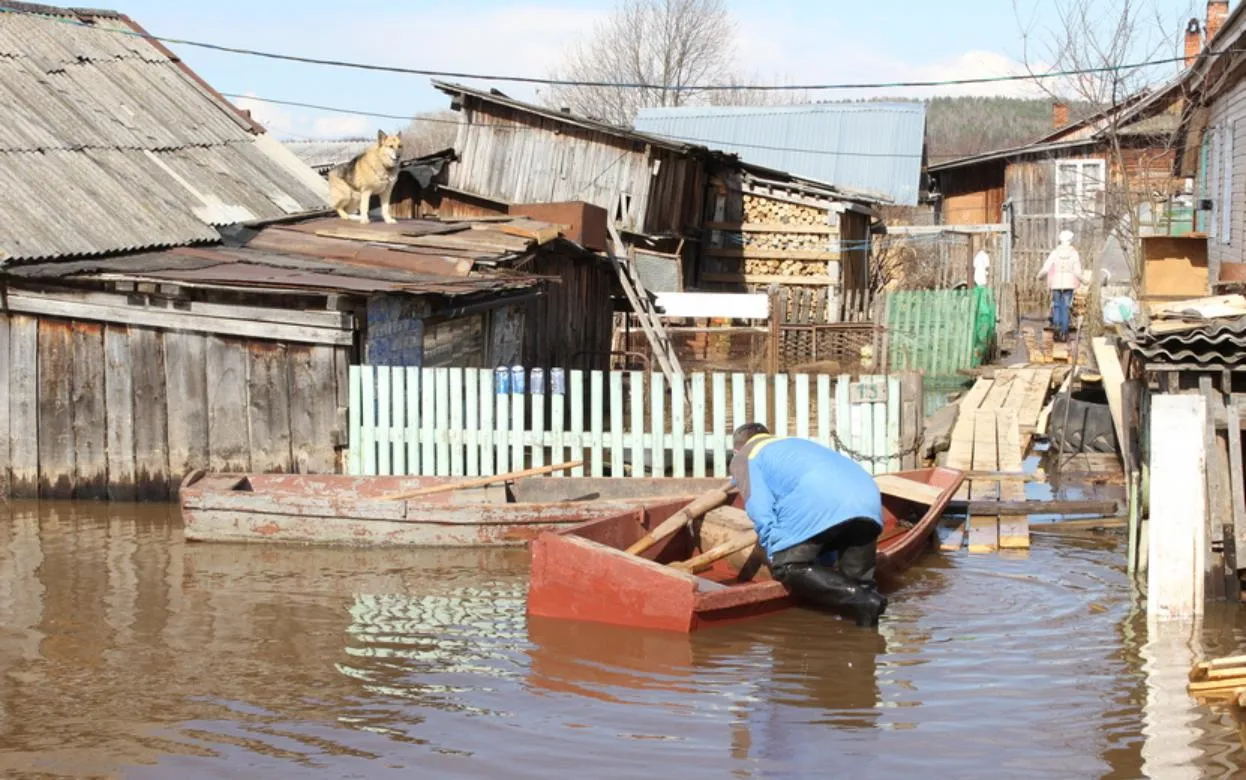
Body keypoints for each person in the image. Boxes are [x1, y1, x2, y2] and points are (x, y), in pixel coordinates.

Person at [727, 422, 887, 627]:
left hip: (821, 502)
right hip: (868, 499)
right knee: (858, 584)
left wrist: (774, 552)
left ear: (736, 450)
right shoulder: (792, 445)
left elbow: (760, 509)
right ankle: (867, 637)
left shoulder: (745, 456)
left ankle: (864, 601)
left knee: (788, 567)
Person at [1036, 230, 1083, 342]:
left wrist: (1039, 276)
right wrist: (1085, 281)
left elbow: (1046, 268)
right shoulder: (1074, 253)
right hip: (1069, 283)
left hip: (1056, 283)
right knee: (1066, 308)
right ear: (1070, 240)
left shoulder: (1055, 253)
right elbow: (1078, 272)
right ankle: (1064, 333)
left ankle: (1056, 332)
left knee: (1057, 306)